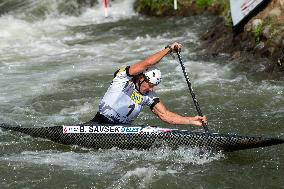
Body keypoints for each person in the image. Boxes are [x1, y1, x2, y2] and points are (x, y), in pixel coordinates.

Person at [90, 42, 207, 126]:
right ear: (141, 78)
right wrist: (169, 49)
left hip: (124, 129)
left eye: (154, 85)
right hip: (99, 123)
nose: (151, 88)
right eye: (150, 84)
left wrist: (192, 120)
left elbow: (165, 115)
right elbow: (147, 63)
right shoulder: (121, 79)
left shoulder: (149, 96)